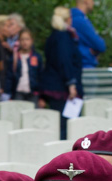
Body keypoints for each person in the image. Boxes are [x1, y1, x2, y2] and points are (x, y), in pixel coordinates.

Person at [40, 7, 82, 139]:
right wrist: (71, 83)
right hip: (62, 88)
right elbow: (64, 61)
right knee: (64, 127)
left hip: (56, 86)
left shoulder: (54, 36)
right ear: (68, 19)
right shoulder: (63, 37)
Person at [6, 28, 41, 103]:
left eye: (27, 39)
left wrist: (42, 96)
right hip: (18, 92)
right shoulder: (15, 57)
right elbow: (9, 76)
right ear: (19, 41)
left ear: (32, 40)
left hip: (33, 93)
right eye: (22, 39)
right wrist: (8, 94)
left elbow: (40, 76)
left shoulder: (37, 57)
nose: (25, 42)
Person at [70, 0, 105, 69]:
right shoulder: (80, 21)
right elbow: (101, 46)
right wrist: (90, 53)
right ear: (86, 1)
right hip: (84, 67)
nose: (93, 3)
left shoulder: (73, 18)